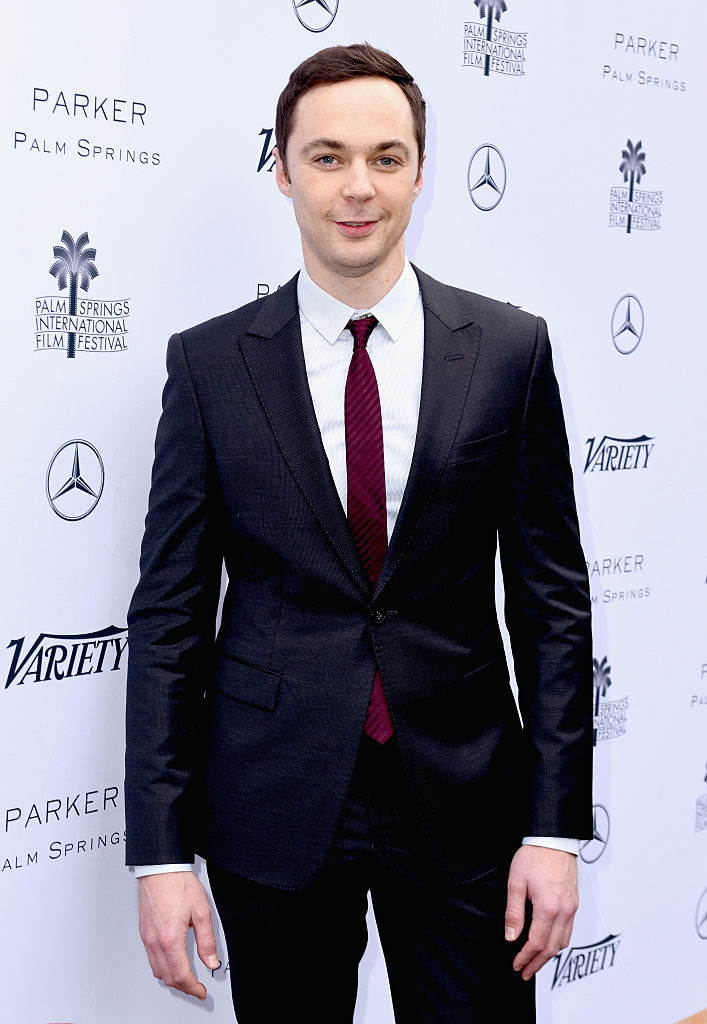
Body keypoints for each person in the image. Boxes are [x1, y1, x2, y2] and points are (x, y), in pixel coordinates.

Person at [125, 42, 593, 1023]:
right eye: (327, 155)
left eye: (385, 157)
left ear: (420, 173)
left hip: (463, 800)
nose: (357, 186)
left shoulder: (508, 352)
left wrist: (552, 828)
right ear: (282, 168)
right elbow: (169, 615)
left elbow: (551, 606)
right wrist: (161, 852)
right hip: (272, 802)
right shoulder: (209, 367)